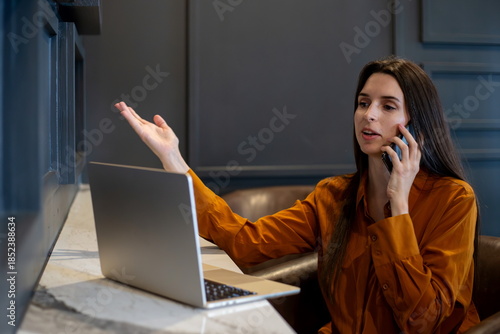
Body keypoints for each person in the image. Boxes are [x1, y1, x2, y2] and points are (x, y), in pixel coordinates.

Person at [115, 56, 480, 333]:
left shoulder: (453, 199)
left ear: (415, 123)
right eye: (363, 102)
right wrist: (173, 158)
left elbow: (422, 321)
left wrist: (397, 208)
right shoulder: (332, 196)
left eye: (387, 106)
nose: (369, 116)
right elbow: (247, 242)